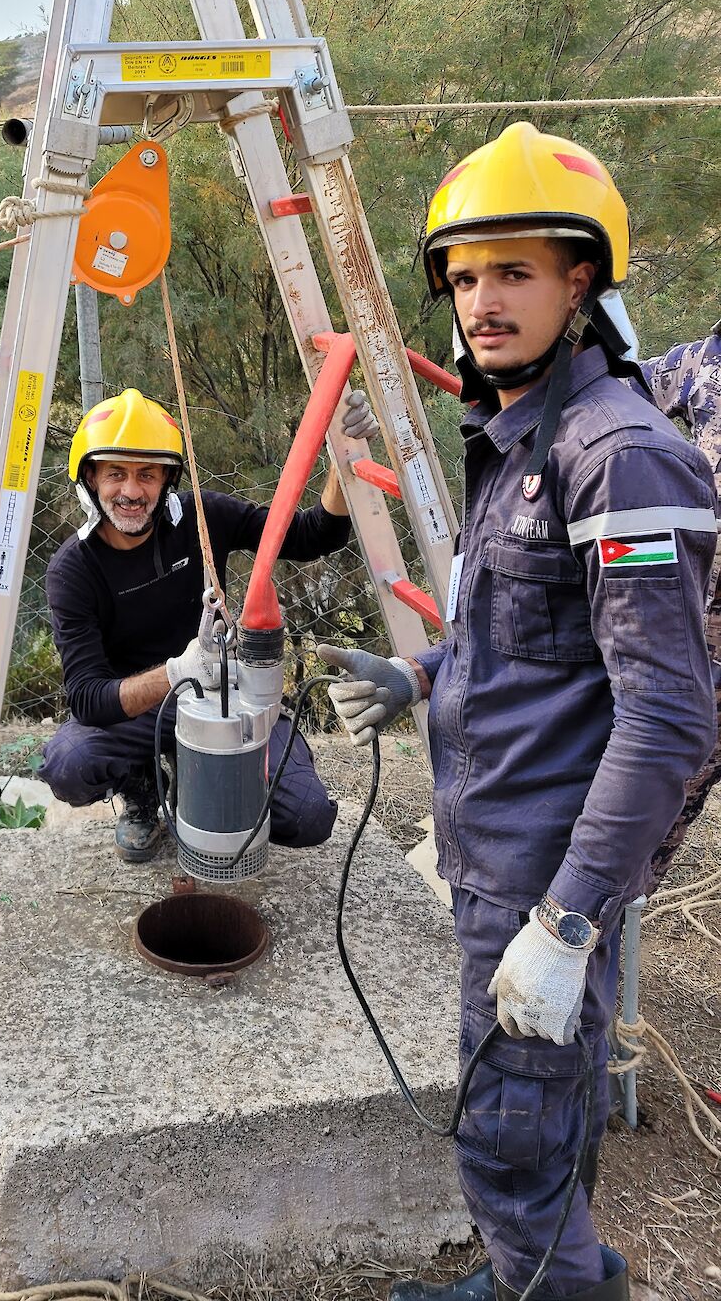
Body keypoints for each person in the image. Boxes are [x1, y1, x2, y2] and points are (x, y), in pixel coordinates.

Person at [318, 123, 717, 1301]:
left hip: (550, 872)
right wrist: (422, 679)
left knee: (507, 1127)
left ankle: (548, 1284)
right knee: (536, 1107)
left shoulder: (620, 457)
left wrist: (570, 923)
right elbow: (525, 638)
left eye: (517, 271)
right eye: (468, 273)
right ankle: (553, 1271)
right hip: (499, 851)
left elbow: (666, 719)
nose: (483, 300)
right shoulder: (520, 432)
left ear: (580, 278)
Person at [39, 384, 376, 861]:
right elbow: (88, 699)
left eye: (147, 474)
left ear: (168, 478)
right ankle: (143, 787)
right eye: (115, 473)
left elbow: (309, 535)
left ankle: (206, 778)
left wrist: (345, 461)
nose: (132, 491)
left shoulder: (204, 516)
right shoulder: (73, 569)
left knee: (308, 818)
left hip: (226, 691)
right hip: (142, 713)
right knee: (70, 764)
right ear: (90, 479)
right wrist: (177, 672)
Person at [641, 322, 721, 886]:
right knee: (672, 777)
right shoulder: (700, 363)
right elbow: (616, 396)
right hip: (694, 616)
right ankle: (602, 916)